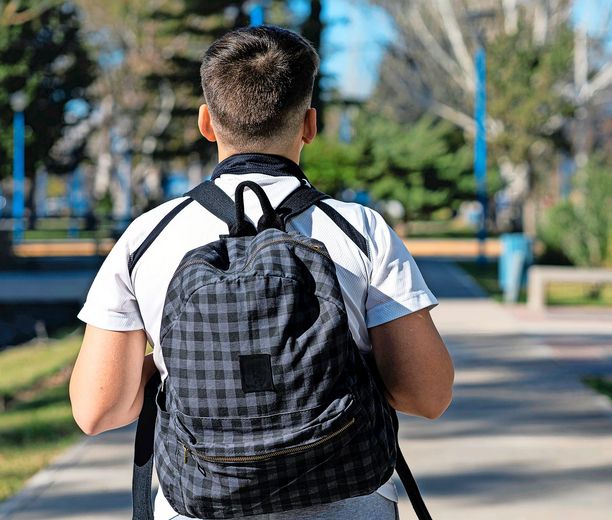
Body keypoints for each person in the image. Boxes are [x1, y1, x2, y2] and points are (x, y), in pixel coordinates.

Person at [69, 25, 454, 520]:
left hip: (198, 504)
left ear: (206, 123)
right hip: (346, 501)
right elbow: (427, 395)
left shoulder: (147, 237)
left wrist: (168, 371)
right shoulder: (360, 230)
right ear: (310, 124)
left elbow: (98, 409)